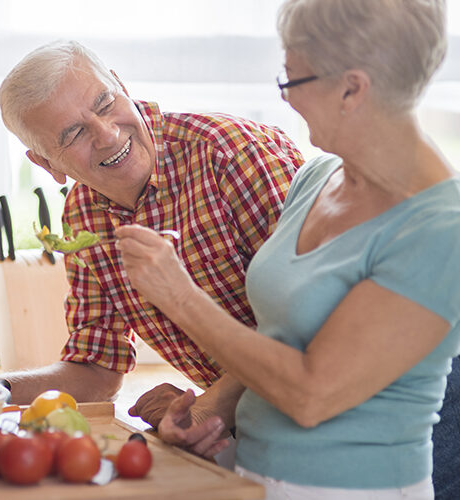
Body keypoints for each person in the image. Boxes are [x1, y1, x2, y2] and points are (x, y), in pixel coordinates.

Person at [116, 0, 459, 498]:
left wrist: (180, 296)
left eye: (292, 81)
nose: (286, 100)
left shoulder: (440, 227)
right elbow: (283, 341)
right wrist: (211, 418)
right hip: (257, 477)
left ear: (352, 88)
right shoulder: (316, 178)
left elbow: (311, 394)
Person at [0, 39, 303, 422]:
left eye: (104, 103)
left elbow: (309, 320)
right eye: (73, 134)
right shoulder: (82, 217)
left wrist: (208, 408)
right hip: (255, 425)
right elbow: (97, 371)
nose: (108, 135)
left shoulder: (230, 155)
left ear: (122, 86)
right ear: (48, 163)